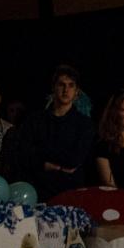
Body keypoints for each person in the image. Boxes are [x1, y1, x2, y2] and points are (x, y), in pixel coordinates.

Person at [16, 65, 93, 200]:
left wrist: (43, 157)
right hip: (38, 191)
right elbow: (24, 154)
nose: (66, 90)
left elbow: (74, 158)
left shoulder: (84, 124)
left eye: (71, 85)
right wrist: (49, 164)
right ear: (53, 87)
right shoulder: (35, 120)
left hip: (71, 192)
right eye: (61, 84)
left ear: (77, 91)